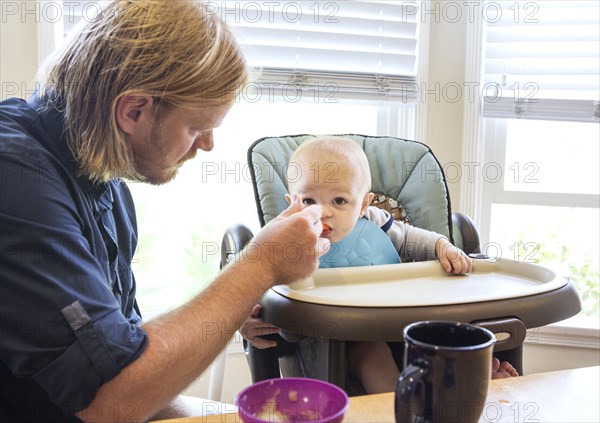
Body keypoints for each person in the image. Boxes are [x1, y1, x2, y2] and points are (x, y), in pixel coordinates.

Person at [0, 1, 329, 422]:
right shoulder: (16, 181)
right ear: (133, 111)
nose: (207, 144)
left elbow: (122, 358)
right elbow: (111, 400)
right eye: (197, 127)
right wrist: (260, 265)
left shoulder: (104, 182)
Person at [242, 137, 519, 394]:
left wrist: (441, 246)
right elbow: (255, 279)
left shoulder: (374, 222)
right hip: (329, 340)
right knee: (371, 354)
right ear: (291, 202)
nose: (323, 211)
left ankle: (470, 387)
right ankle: (403, 408)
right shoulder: (285, 237)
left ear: (363, 204)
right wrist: (246, 320)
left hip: (395, 322)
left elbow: (411, 238)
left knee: (438, 338)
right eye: (309, 200)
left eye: (339, 200)